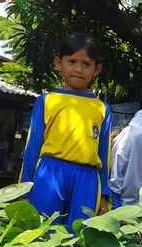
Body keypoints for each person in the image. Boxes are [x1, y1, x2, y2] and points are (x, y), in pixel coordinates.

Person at [19, 33, 111, 232]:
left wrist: (104, 193)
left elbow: (105, 153)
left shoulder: (102, 108)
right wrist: (25, 189)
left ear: (97, 69)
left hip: (88, 178)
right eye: (72, 61)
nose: (78, 69)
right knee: (44, 231)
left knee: (80, 234)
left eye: (86, 64)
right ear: (58, 63)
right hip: (49, 173)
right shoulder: (47, 100)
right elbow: (32, 147)